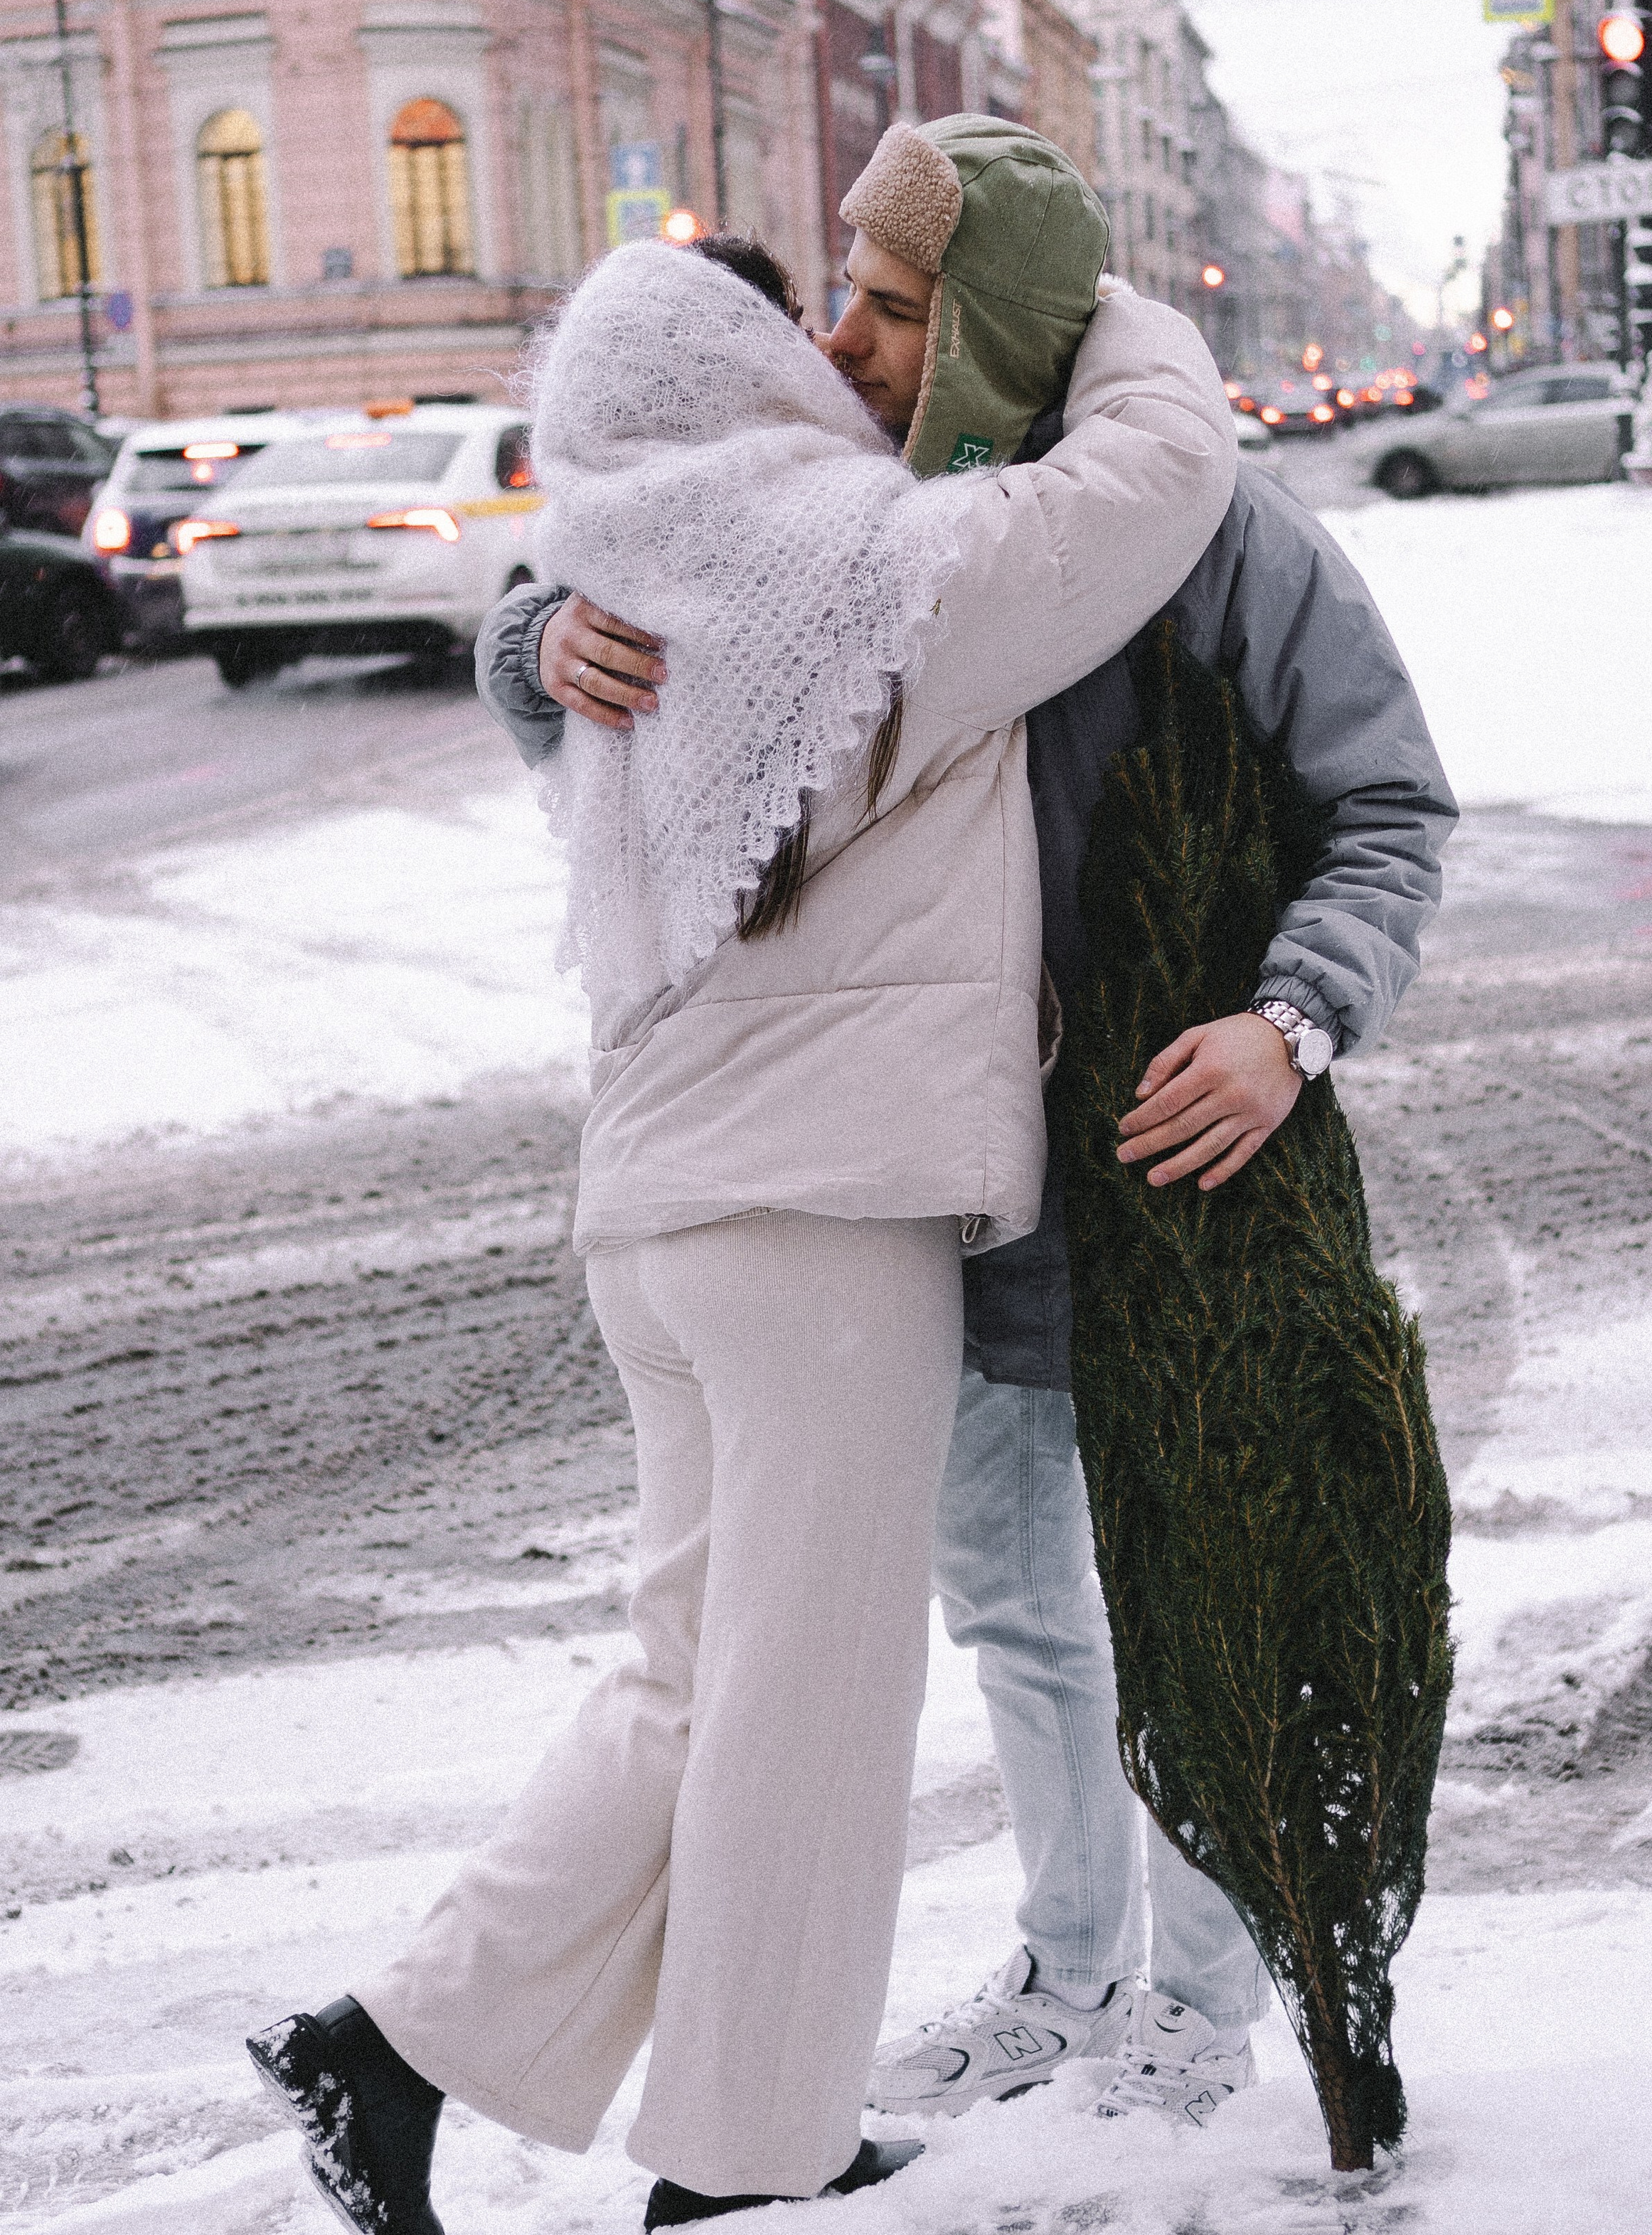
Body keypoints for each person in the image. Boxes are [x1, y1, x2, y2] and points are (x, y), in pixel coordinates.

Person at [246, 124, 1237, 2234]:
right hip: (817, 1218)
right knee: (810, 1698)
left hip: (662, 1215)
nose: (836, 346)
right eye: (807, 325)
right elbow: (1155, 480)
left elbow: (561, 672)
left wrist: (527, 634)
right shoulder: (870, 571)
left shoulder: (626, 569)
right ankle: (741, 2156)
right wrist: (1091, 303)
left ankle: (395, 2048)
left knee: (693, 1666)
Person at [484, 126, 1457, 2140]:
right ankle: (1070, 1964)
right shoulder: (839, 515)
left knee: (1188, 1594)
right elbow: (633, 628)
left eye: (894, 306)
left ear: (1000, 327)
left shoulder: (1214, 536)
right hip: (924, 1201)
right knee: (1016, 1612)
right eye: (840, 291)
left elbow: (1391, 805)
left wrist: (1289, 1024)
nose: (840, 341)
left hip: (1179, 1178)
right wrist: (531, 639)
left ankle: (1197, 2004)